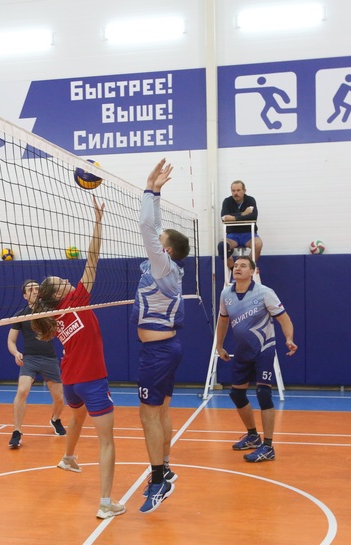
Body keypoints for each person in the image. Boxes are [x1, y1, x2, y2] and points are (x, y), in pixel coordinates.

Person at [31, 196, 125, 520]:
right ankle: (105, 502)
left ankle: (68, 457)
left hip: (71, 380)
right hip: (91, 379)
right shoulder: (75, 299)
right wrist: (98, 222)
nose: (66, 279)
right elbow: (92, 259)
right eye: (60, 282)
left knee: (77, 417)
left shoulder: (54, 316)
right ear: (58, 294)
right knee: (107, 443)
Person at [132, 158, 190, 514]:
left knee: (147, 415)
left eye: (160, 240)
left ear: (165, 250)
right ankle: (164, 467)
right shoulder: (168, 267)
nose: (157, 237)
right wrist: (155, 191)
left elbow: (145, 226)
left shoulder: (163, 266)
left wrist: (150, 190)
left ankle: (157, 480)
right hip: (166, 347)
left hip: (157, 352)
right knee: (162, 410)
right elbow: (153, 225)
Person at [215, 255, 297, 462]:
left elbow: (284, 319)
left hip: (264, 349)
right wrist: (219, 344)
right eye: (236, 266)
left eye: (244, 266)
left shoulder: (265, 293)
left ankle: (268, 446)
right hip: (242, 352)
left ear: (252, 271)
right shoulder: (226, 294)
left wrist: (289, 338)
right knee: (237, 395)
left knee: (263, 394)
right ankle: (252, 435)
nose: (238, 268)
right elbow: (223, 321)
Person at [6, 279, 66, 449]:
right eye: (30, 289)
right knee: (22, 391)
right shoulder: (21, 315)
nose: (34, 291)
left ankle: (55, 419)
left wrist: (67, 348)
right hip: (30, 359)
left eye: (36, 288)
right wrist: (16, 352)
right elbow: (11, 341)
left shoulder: (50, 311)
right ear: (25, 295)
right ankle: (17, 432)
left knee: (60, 398)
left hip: (49, 358)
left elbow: (62, 330)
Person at [218, 180, 263, 270]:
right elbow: (224, 218)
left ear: (244, 190)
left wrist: (233, 217)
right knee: (222, 246)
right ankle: (234, 270)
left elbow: (253, 217)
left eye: (238, 190)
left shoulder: (250, 200)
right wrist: (243, 214)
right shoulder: (227, 201)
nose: (236, 193)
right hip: (232, 235)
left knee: (258, 244)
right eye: (233, 191)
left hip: (248, 234)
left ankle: (247, 268)